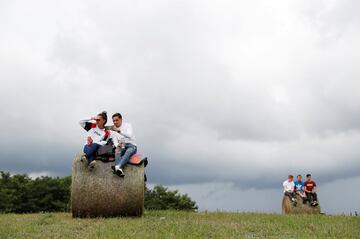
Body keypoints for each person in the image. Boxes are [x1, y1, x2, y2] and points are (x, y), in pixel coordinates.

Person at [109, 113, 137, 177]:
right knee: (117, 151)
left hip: (131, 145)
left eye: (117, 120)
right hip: (122, 145)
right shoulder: (113, 129)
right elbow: (115, 140)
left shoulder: (128, 125)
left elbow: (129, 135)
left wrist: (119, 131)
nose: (115, 122)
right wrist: (118, 146)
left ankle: (118, 166)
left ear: (121, 119)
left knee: (128, 152)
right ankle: (119, 170)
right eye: (113, 121)